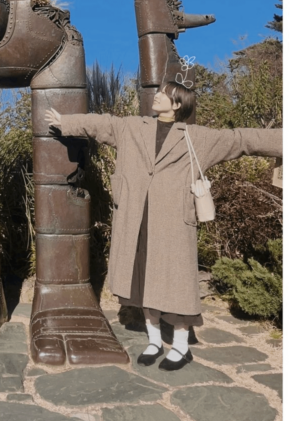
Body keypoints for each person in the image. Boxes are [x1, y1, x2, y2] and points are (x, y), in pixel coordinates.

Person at [44, 82, 282, 371]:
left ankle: (181, 346)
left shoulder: (197, 138)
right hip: (135, 219)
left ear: (178, 104)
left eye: (165, 93)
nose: (157, 95)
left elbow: (242, 139)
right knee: (143, 281)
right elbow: (103, 124)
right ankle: (154, 340)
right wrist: (66, 121)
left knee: (177, 284)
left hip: (173, 224)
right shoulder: (133, 127)